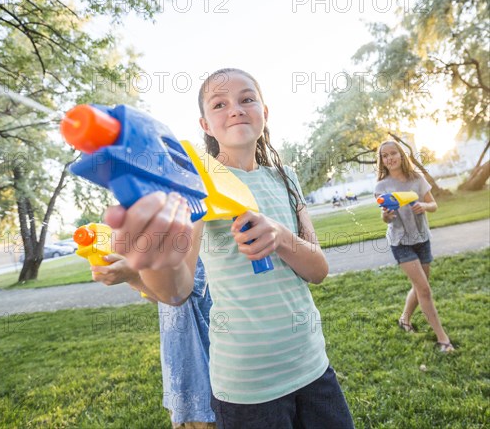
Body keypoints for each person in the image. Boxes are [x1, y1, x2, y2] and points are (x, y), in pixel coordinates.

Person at [104, 68, 354, 428]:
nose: (235, 109)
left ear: (264, 113)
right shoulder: (197, 184)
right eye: (219, 104)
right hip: (247, 387)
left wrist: (281, 237)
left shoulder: (286, 177)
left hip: (313, 366)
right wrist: (151, 264)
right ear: (205, 124)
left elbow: (318, 270)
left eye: (247, 99)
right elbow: (176, 290)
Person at [92, 254, 216, 428]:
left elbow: (181, 293)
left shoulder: (191, 233)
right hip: (179, 380)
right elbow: (160, 297)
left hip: (203, 383)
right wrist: (132, 273)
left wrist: (135, 275)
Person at [374, 140, 454, 353]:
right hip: (401, 242)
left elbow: (433, 205)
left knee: (420, 286)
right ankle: (443, 339)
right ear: (382, 161)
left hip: (422, 238)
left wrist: (424, 206)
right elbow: (386, 220)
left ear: (401, 155)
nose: (389, 158)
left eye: (393, 153)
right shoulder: (381, 187)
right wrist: (386, 215)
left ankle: (405, 320)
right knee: (424, 290)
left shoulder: (417, 179)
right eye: (385, 156)